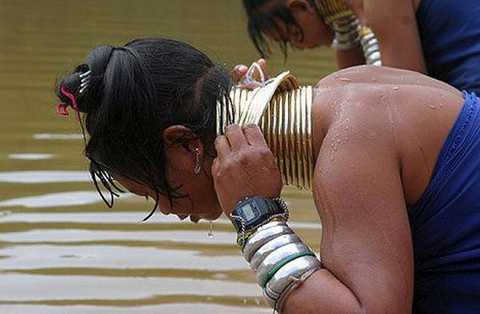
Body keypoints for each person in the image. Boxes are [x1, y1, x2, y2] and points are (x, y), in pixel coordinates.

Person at [56, 38, 480, 313]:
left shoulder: (348, 144)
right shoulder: (346, 90)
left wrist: (255, 218)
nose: (167, 211)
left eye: (152, 192)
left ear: (185, 145)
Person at [225, 0, 480, 94]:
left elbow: (405, 94)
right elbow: (355, 89)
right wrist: (348, 15)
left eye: (293, 35)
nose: (300, 47)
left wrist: (364, 19)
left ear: (300, 7)